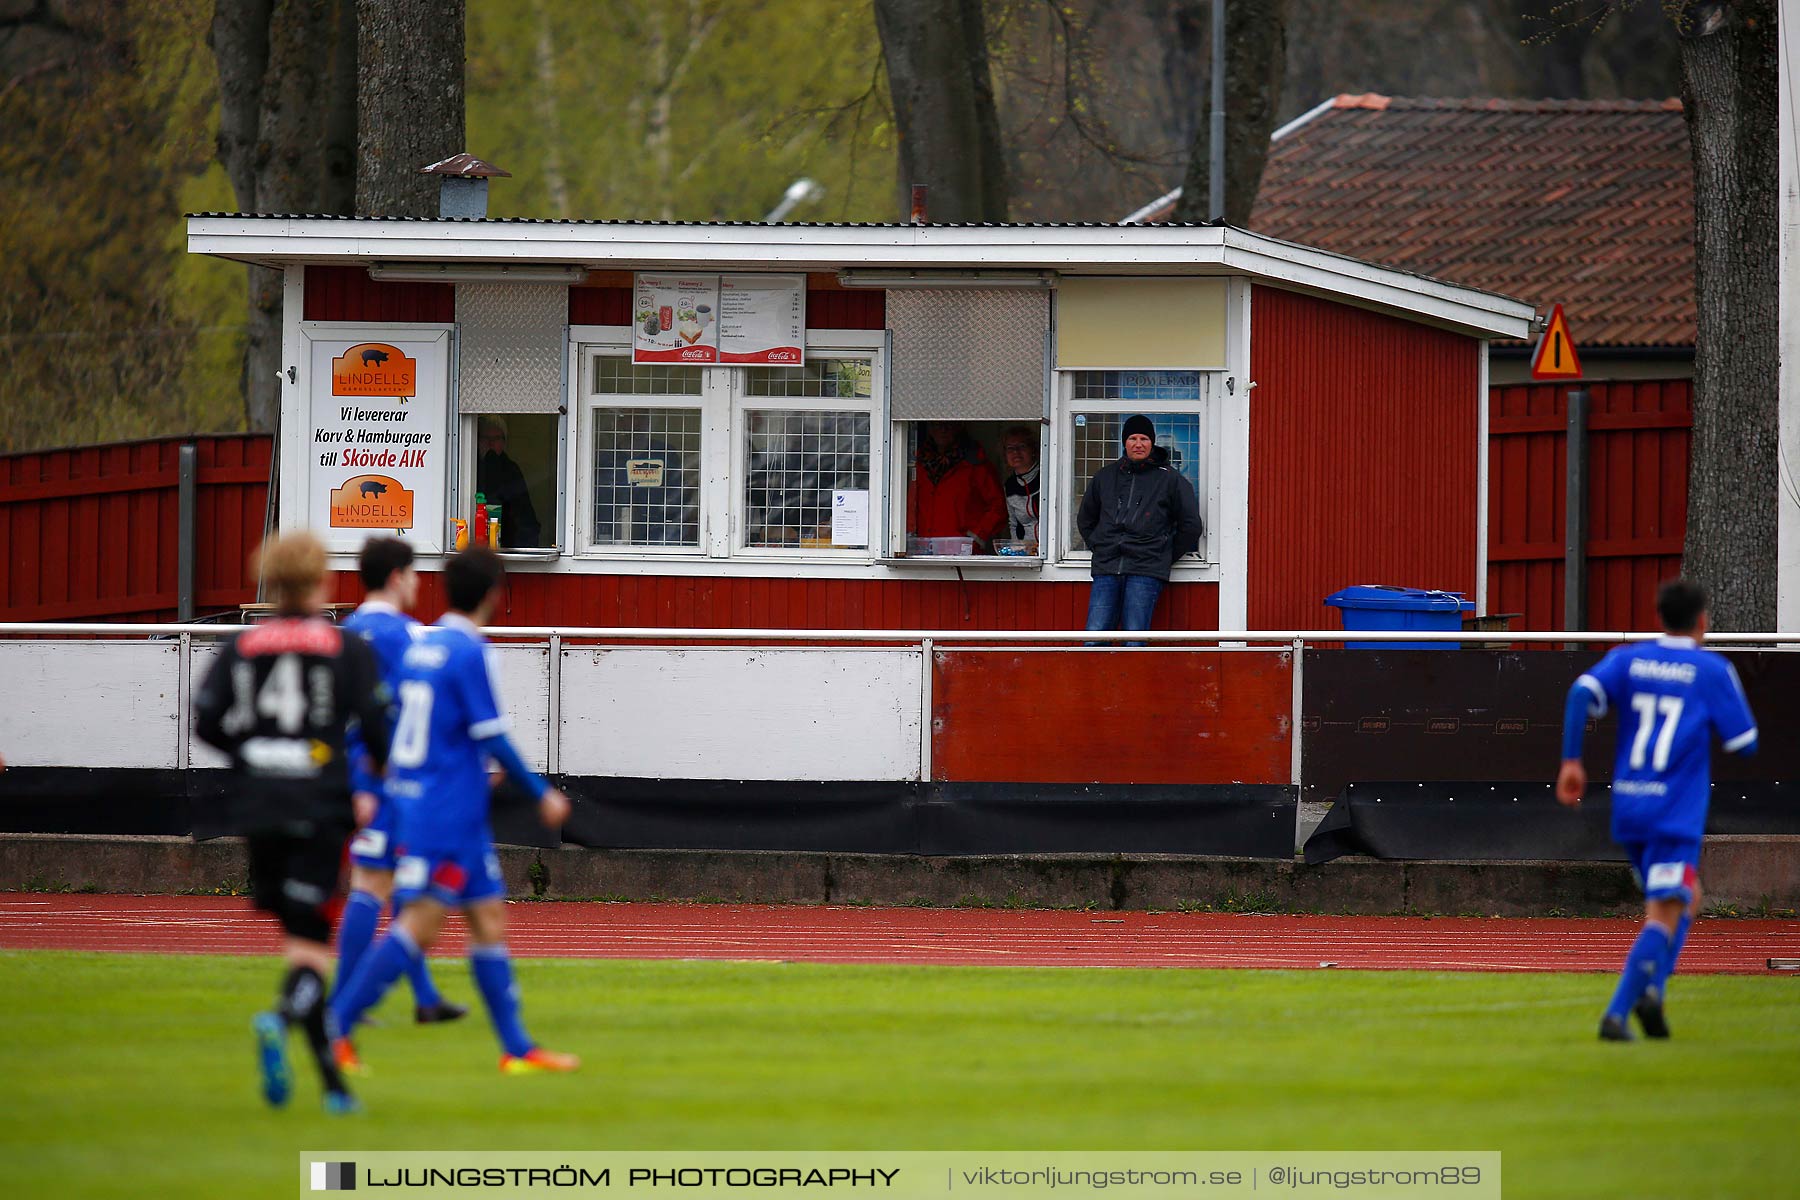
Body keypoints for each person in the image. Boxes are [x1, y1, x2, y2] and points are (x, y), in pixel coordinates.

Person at [329, 547, 578, 1076]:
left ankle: (517, 1049)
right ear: (495, 593)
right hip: (444, 814)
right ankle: (336, 1029)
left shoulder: (425, 645)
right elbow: (492, 736)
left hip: (449, 812)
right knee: (417, 926)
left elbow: (381, 718)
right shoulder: (467, 650)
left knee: (489, 921)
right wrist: (542, 793)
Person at [192, 531, 390, 1115]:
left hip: (258, 810)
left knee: (300, 943)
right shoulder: (345, 648)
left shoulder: (242, 646)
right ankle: (279, 1022)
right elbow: (378, 731)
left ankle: (333, 1088)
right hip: (319, 807)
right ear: (321, 577)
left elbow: (205, 722)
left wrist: (253, 756)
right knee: (310, 948)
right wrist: (366, 786)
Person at [1557, 579, 1758, 1041]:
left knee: (1688, 896)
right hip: (1674, 813)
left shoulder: (1630, 658)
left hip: (1629, 805)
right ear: (1703, 621)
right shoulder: (1710, 669)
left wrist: (1571, 761)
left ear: (1658, 617)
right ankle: (1617, 1013)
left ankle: (1656, 996)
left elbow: (1579, 694)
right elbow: (1745, 743)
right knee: (1664, 913)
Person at [333, 537, 466, 1030]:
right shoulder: (408, 637)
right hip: (394, 780)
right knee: (377, 885)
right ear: (396, 577)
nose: (416, 583)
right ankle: (345, 1002)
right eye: (413, 574)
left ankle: (425, 997)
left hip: (355, 777)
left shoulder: (344, 633)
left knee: (396, 884)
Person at [1076, 415, 1202, 643]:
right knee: (1094, 636)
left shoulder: (1171, 480)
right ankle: (1092, 679)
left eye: (1144, 438)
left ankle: (1132, 680)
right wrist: (1100, 546)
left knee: (1135, 638)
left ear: (1152, 443)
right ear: (1124, 443)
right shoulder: (1105, 476)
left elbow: (1191, 525)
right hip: (1107, 568)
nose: (1138, 443)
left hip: (1146, 570)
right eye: (1132, 438)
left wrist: (1163, 554)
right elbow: (1086, 519)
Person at [909, 421, 1006, 551]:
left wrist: (976, 536)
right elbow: (909, 504)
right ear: (930, 429)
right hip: (923, 549)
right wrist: (908, 535)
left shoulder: (975, 463)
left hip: (962, 552)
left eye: (949, 425)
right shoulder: (918, 462)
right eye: (937, 425)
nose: (943, 430)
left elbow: (998, 506)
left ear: (959, 427)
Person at [475, 416, 544, 548]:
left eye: (496, 439)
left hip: (507, 542)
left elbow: (524, 515)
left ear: (504, 443)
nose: (490, 443)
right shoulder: (469, 468)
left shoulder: (511, 470)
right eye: (486, 438)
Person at [1000, 425, 1041, 551]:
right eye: (1010, 448)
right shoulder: (1010, 485)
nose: (1016, 452)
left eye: (1022, 446)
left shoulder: (1048, 476)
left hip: (1051, 555)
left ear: (1033, 449)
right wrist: (1017, 551)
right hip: (1027, 554)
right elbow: (1013, 524)